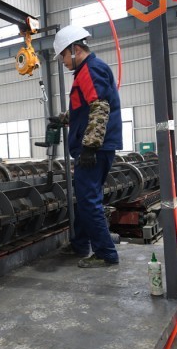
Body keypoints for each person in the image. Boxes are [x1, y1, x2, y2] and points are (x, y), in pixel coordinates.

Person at [51, 25, 123, 268]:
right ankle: (80, 244)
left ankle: (106, 253)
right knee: (85, 198)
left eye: (63, 55)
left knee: (89, 201)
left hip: (94, 149)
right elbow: (85, 110)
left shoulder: (90, 70)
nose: (63, 61)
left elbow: (99, 107)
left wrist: (90, 148)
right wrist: (64, 119)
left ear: (75, 49)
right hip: (97, 146)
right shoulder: (87, 71)